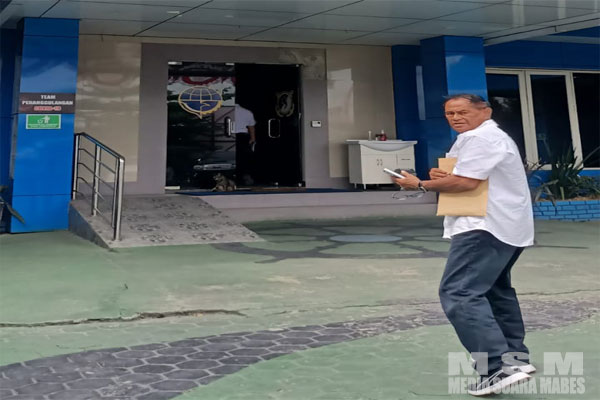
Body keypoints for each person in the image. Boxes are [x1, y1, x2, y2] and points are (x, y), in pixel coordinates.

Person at [393, 94, 535, 396]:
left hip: (482, 227)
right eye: (449, 113)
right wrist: (442, 178)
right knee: (495, 292)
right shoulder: (484, 137)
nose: (455, 118)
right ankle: (514, 360)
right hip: (503, 226)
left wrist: (420, 184)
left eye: (462, 112)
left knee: (459, 292)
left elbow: (467, 183)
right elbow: (464, 177)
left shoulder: (481, 138)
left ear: (486, 111)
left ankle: (496, 367)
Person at [233, 103, 256, 186]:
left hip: (229, 134)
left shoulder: (227, 111)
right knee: (244, 158)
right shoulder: (247, 112)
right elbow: (251, 127)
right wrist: (252, 138)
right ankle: (244, 177)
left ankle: (234, 177)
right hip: (242, 136)